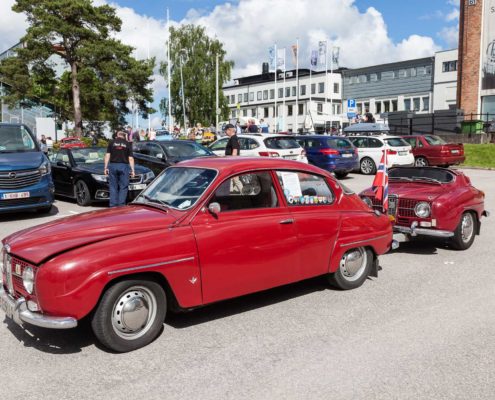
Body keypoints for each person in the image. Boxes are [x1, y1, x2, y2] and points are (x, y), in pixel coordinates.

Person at [104, 130, 135, 207]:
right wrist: (133, 170)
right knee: (123, 186)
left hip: (113, 165)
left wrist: (105, 167)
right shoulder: (128, 144)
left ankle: (113, 205)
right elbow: (130, 158)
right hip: (123, 166)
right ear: (124, 136)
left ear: (117, 135)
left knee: (113, 186)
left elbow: (107, 155)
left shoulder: (111, 142)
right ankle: (121, 205)